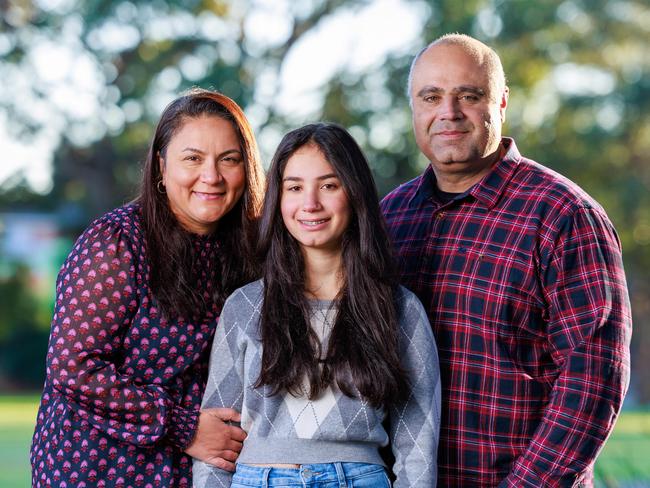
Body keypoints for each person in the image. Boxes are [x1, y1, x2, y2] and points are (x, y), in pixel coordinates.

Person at [380, 33, 632, 487]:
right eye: (431, 96)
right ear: (414, 108)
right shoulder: (388, 219)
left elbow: (592, 383)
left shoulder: (563, 215)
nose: (448, 112)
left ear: (501, 102)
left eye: (469, 96)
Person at [30, 88, 266, 487]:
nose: (211, 176)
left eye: (229, 159)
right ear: (161, 166)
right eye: (193, 158)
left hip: (191, 470)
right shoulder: (117, 242)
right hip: (95, 467)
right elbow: (72, 368)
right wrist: (185, 426)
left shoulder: (250, 251)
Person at [193, 122, 441, 487]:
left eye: (328, 185)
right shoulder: (244, 306)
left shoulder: (400, 309)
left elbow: (418, 442)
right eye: (294, 187)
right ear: (279, 199)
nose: (310, 203)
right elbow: (217, 439)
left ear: (354, 194)